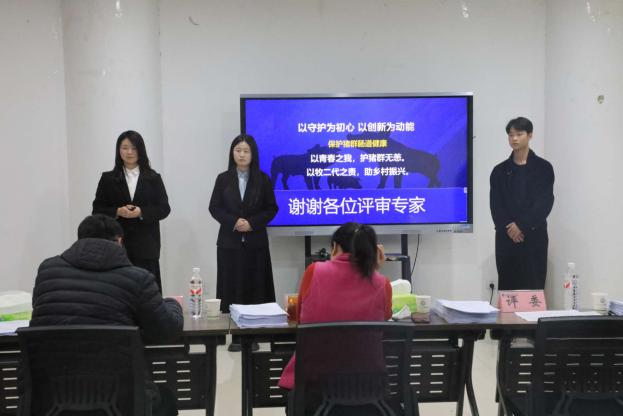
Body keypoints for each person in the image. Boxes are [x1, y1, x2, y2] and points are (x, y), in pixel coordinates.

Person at [31, 214, 183, 416]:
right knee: (166, 398)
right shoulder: (138, 279)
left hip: (50, 399)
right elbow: (166, 330)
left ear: (79, 240)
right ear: (119, 241)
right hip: (120, 401)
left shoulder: (47, 272)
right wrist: (173, 304)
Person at [278, 222, 392, 393]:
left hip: (313, 385)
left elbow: (301, 319)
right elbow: (384, 319)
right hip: (366, 388)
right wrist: (374, 270)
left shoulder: (313, 271)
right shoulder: (383, 283)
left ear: (336, 247)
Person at [209, 134, 278, 351]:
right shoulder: (223, 179)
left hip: (255, 244)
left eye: (246, 151)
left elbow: (271, 208)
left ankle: (253, 337)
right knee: (231, 288)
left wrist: (252, 223)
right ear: (232, 153)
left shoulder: (263, 179)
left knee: (255, 288)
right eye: (238, 150)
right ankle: (236, 337)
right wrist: (233, 222)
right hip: (229, 244)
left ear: (253, 154)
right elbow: (214, 207)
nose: (241, 155)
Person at [92, 130, 170, 293]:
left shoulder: (153, 178)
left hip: (147, 245)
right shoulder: (108, 179)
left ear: (141, 150)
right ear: (118, 150)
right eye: (125, 148)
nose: (129, 152)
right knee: (118, 290)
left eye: (134, 148)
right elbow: (97, 209)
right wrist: (117, 211)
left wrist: (141, 212)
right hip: (117, 244)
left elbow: (164, 208)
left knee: (147, 291)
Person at [490, 117, 555, 290]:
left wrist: (521, 225)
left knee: (533, 288)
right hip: (507, 238)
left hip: (534, 237)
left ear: (530, 135)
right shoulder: (499, 171)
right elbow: (496, 205)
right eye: (511, 135)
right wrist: (510, 228)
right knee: (508, 289)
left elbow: (545, 202)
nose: (515, 139)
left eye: (519, 134)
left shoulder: (543, 168)